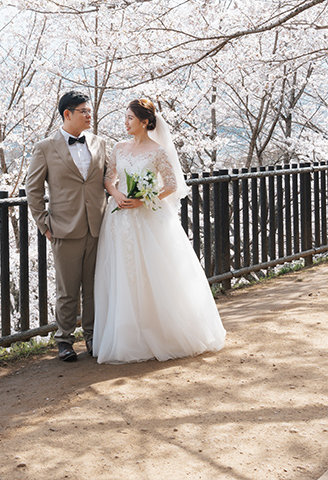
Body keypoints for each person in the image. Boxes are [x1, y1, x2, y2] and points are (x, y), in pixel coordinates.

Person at [93, 98, 225, 363]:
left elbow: (172, 185)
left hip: (148, 217)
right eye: (125, 117)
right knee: (123, 272)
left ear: (144, 122)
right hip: (120, 220)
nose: (126, 122)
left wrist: (143, 199)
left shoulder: (158, 151)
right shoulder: (119, 148)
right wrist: (118, 194)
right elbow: (109, 179)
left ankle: (161, 332)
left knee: (153, 271)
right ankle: (127, 333)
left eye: (130, 118)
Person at [26, 90, 111, 362]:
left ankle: (92, 336)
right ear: (67, 114)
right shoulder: (45, 147)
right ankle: (64, 339)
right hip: (63, 228)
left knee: (94, 286)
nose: (89, 115)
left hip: (98, 226)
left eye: (90, 111)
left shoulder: (100, 143)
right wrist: (44, 225)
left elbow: (109, 179)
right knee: (67, 289)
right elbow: (33, 189)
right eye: (84, 111)